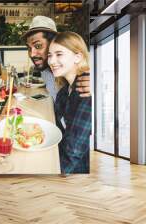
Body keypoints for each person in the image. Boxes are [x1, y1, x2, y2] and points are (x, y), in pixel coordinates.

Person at [47, 31, 91, 174]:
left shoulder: (86, 92)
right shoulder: (64, 91)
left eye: (59, 54)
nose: (52, 61)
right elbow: (56, 124)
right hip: (57, 154)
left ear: (77, 57)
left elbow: (74, 151)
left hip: (74, 170)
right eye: (50, 55)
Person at [22, 16, 91, 101]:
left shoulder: (85, 83)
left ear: (53, 43)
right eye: (29, 48)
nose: (32, 54)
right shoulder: (48, 71)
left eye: (38, 46)